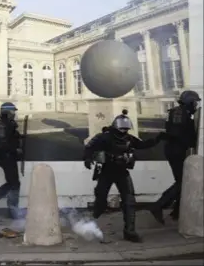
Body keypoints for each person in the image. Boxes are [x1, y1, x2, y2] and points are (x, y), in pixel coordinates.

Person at [83, 109, 165, 243]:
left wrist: (156, 139)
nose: (123, 131)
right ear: (116, 127)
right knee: (101, 197)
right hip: (107, 171)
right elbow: (90, 147)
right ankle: (99, 208)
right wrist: (87, 159)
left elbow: (142, 145)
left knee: (129, 201)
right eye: (121, 129)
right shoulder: (104, 137)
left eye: (126, 129)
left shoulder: (129, 139)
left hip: (122, 172)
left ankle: (130, 231)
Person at [149, 90, 201, 224]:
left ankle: (177, 211)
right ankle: (158, 205)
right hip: (175, 150)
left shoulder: (182, 112)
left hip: (177, 149)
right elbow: (176, 133)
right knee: (182, 182)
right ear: (189, 102)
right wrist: (190, 139)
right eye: (194, 102)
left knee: (181, 181)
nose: (195, 105)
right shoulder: (179, 113)